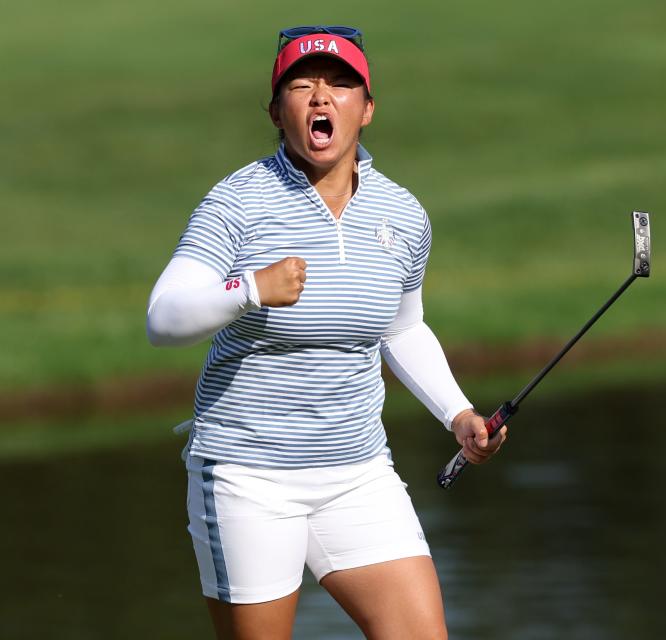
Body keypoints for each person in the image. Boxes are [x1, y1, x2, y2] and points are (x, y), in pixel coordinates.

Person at [146, 25, 506, 639]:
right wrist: (251, 289)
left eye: (340, 85)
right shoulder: (237, 203)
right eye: (302, 84)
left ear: (366, 110)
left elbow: (403, 327)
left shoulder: (401, 213)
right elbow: (164, 317)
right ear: (276, 111)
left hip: (357, 473)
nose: (321, 97)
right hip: (247, 476)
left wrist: (458, 414)